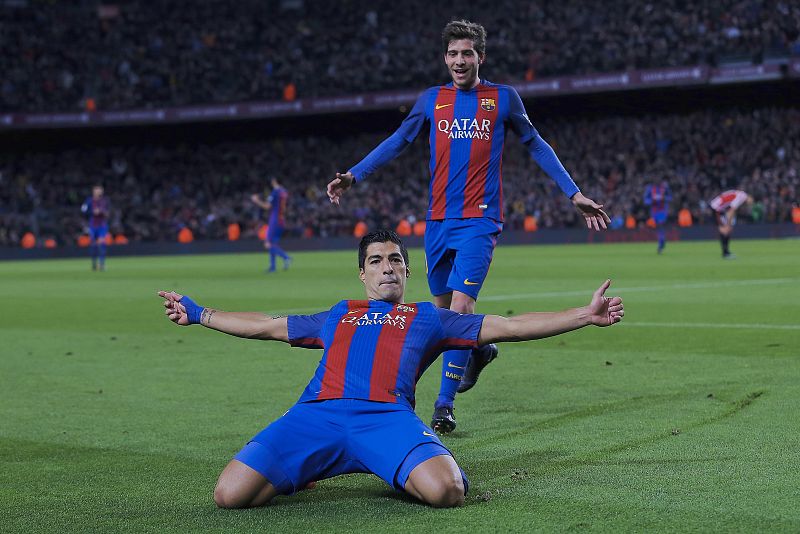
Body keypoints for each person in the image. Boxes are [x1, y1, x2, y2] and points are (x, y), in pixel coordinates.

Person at [158, 230, 623, 509]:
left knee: (447, 492)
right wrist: (200, 313)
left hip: (386, 419)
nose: (387, 268)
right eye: (376, 261)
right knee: (230, 495)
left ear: (407, 271)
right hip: (316, 415)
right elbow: (267, 326)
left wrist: (585, 315)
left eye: (395, 260)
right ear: (362, 273)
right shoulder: (340, 312)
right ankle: (315, 466)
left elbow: (509, 325)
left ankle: (379, 461)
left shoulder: (429, 317)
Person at [326, 20, 610, 433]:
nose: (460, 61)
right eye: (453, 54)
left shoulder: (503, 99)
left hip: (480, 219)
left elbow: (537, 145)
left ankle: (444, 405)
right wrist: (355, 174)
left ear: (480, 57)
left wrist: (574, 192)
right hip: (437, 221)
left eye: (467, 54)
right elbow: (397, 140)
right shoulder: (431, 100)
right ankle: (478, 352)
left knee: (460, 309)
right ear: (445, 58)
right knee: (443, 318)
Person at [251, 177, 292, 272]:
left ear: (274, 181)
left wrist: (256, 200)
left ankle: (286, 257)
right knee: (273, 243)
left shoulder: (275, 192)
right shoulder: (284, 192)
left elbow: (267, 206)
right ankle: (272, 267)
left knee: (267, 243)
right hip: (281, 219)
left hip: (275, 219)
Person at [709, 189, 751, 259]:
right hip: (716, 208)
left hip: (720, 209)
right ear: (750, 197)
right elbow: (731, 211)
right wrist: (728, 224)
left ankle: (726, 252)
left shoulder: (740, 194)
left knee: (727, 231)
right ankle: (725, 253)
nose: (750, 203)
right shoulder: (741, 197)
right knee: (725, 230)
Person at [80, 184, 110, 271]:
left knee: (101, 243)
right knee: (93, 245)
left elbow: (108, 212)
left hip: (102, 225)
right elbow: (83, 210)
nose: (99, 191)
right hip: (92, 225)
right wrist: (92, 212)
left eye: (100, 190)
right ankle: (94, 263)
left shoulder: (105, 200)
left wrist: (101, 212)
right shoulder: (89, 201)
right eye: (97, 190)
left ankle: (102, 264)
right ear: (94, 191)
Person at [643, 180, 672, 253]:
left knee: (660, 225)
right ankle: (662, 240)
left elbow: (670, 198)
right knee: (658, 227)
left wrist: (663, 198)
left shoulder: (665, 188)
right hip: (654, 212)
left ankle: (661, 243)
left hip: (662, 211)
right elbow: (645, 200)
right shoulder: (650, 189)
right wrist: (652, 200)